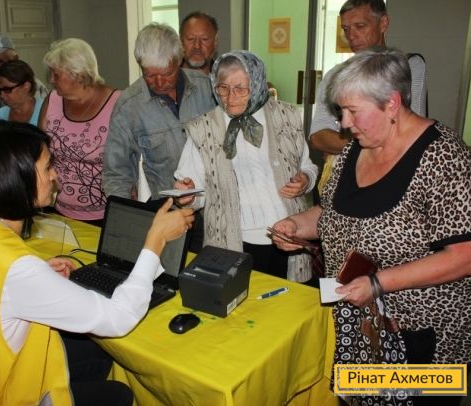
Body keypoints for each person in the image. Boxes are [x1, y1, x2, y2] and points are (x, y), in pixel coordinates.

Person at [0, 120, 194, 405]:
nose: (55, 175)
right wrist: (155, 241)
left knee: (95, 353)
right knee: (118, 395)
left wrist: (40, 276)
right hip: (0, 396)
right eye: (47, 168)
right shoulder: (19, 269)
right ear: (16, 179)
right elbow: (118, 318)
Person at [271, 48, 471, 406]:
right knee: (363, 400)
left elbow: (468, 255)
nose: (343, 123)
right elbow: (333, 213)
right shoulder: (356, 148)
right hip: (364, 325)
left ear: (392, 103)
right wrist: (295, 224)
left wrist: (378, 283)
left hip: (425, 335)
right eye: (341, 111)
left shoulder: (445, 157)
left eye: (352, 111)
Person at [174, 51, 317, 282]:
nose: (230, 97)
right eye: (223, 88)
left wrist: (305, 180)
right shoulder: (203, 128)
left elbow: (307, 166)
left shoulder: (287, 117)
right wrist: (188, 196)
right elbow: (194, 191)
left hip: (287, 235)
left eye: (240, 89)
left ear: (258, 85)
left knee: (286, 299)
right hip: (231, 241)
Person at [309, 0, 427, 193]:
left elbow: (410, 137)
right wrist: (375, 143)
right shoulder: (335, 76)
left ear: (383, 23)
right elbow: (318, 138)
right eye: (346, 29)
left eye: (360, 26)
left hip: (391, 180)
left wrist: (340, 146)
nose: (351, 36)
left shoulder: (408, 67)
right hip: (340, 185)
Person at [103, 22, 215, 200]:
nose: (160, 83)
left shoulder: (206, 88)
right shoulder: (128, 107)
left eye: (167, 74)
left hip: (213, 204)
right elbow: (116, 174)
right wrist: (123, 212)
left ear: (179, 60)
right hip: (164, 209)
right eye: (150, 75)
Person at [39, 38, 119, 223]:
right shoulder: (53, 100)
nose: (51, 80)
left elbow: (130, 162)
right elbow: (39, 151)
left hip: (105, 216)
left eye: (56, 74)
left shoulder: (117, 103)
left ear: (79, 75)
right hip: (58, 211)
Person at [0, 60, 43, 126]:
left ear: (26, 86)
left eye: (7, 89)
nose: (1, 95)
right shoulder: (0, 115)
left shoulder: (46, 111)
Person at [180, 11, 219, 75]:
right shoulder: (166, 77)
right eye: (190, 39)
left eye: (204, 39)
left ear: (215, 42)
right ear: (180, 41)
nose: (197, 46)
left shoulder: (225, 77)